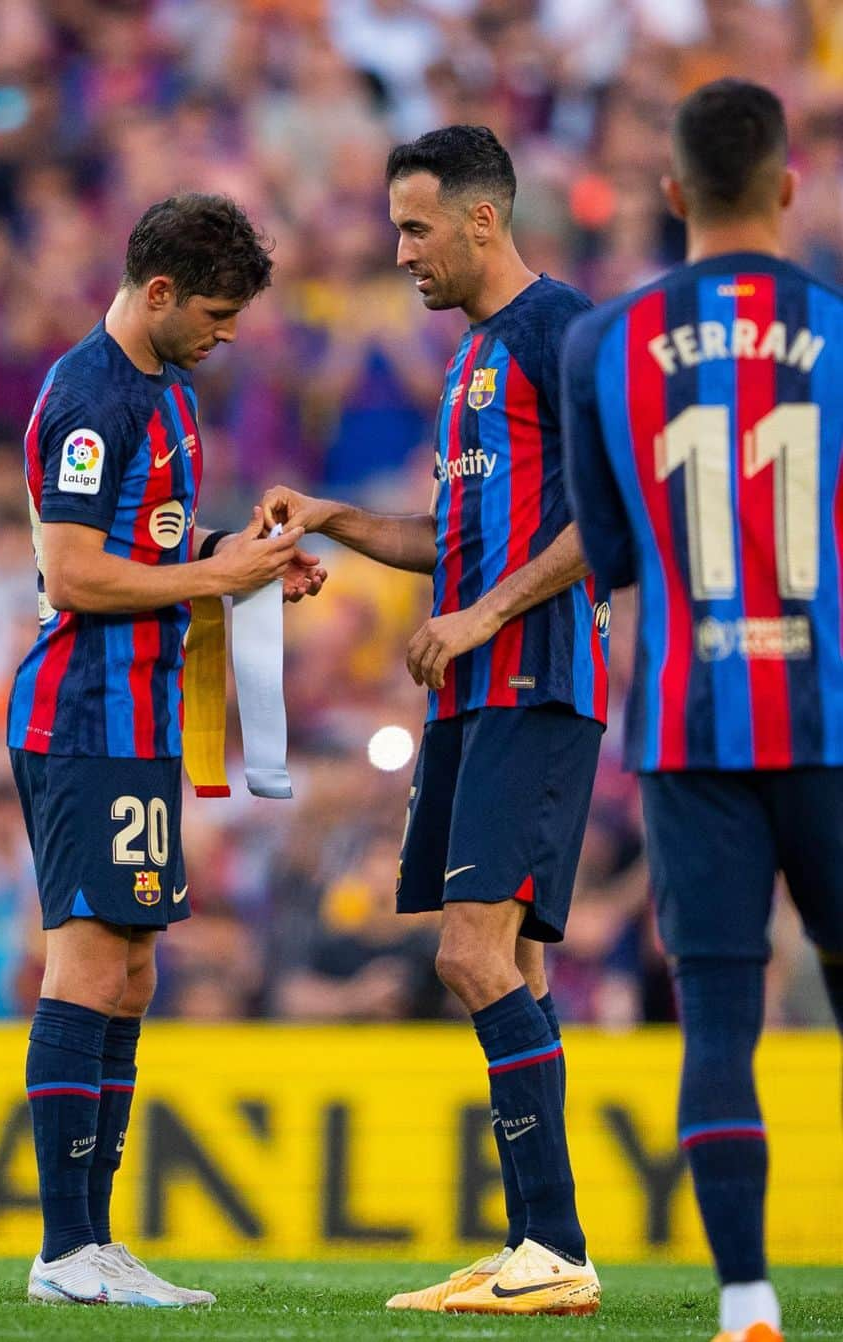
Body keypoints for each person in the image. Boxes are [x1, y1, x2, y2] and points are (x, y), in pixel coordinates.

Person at [263, 125, 608, 1316]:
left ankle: (555, 1245)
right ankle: (535, 1242)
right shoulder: (469, 363)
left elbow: (607, 526)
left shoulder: (558, 329)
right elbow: (445, 544)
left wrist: (478, 619)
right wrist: (331, 517)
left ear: (480, 218)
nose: (397, 250)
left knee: (469, 954)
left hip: (532, 681)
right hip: (475, 688)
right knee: (505, 961)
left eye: (415, 226)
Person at [562, 79, 843, 1342]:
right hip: (833, 721)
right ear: (788, 187)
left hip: (688, 729)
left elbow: (608, 555)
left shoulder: (599, 346)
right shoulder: (840, 330)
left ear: (672, 194)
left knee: (721, 1016)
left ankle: (744, 1301)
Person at [8, 192, 324, 1309]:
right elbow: (72, 573)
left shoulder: (171, 397)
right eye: (218, 312)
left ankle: (95, 1240)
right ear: (157, 294)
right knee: (88, 963)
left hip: (143, 720)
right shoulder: (90, 398)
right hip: (85, 714)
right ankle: (62, 1250)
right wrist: (215, 576)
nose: (227, 332)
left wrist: (243, 557)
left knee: (133, 973)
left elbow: (150, 544)